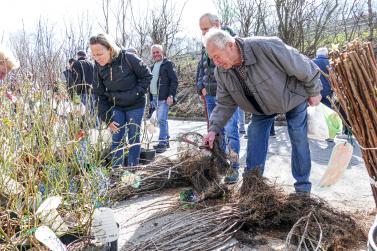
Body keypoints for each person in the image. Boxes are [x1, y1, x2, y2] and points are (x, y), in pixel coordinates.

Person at [202, 29, 322, 193]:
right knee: (255, 135)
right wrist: (213, 129)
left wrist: (314, 90)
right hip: (261, 107)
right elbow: (224, 103)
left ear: (230, 45)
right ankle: (252, 186)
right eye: (212, 58)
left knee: (298, 136)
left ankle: (302, 188)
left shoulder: (265, 46)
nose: (216, 62)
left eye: (217, 56)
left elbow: (302, 65)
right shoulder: (221, 71)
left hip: (292, 96)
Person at [90, 33, 152, 167]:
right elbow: (99, 94)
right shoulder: (98, 66)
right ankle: (116, 170)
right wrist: (107, 118)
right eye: (94, 54)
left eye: (99, 54)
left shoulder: (128, 58)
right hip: (116, 106)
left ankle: (132, 168)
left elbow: (147, 76)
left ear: (110, 49)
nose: (96, 58)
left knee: (133, 136)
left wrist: (136, 93)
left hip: (135, 105)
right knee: (117, 137)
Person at [197, 13, 240, 184]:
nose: (203, 33)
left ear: (217, 24)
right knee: (215, 133)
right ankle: (221, 166)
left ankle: (234, 168)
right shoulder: (205, 42)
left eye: (206, 28)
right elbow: (201, 66)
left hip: (228, 94)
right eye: (201, 30)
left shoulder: (231, 40)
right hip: (210, 93)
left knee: (231, 131)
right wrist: (200, 85)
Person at [149, 44, 178, 153]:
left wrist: (171, 95)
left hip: (164, 97)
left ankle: (162, 143)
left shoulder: (168, 64)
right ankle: (166, 141)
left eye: (158, 52)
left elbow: (174, 81)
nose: (156, 54)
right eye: (154, 52)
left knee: (162, 120)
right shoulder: (153, 66)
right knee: (162, 120)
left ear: (162, 52)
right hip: (155, 97)